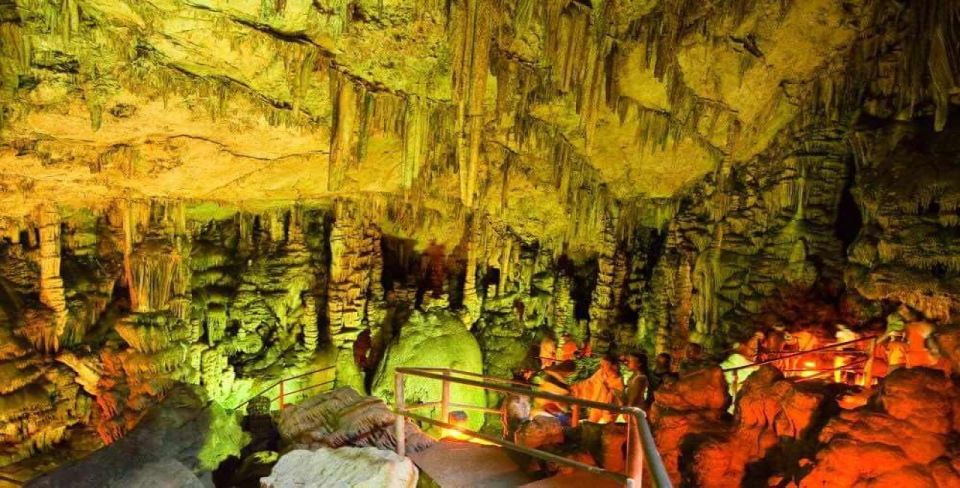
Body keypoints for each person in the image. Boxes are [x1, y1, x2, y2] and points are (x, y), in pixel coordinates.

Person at [570, 354, 624, 423]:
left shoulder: (618, 380)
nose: (602, 366)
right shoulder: (600, 372)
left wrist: (608, 391)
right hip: (596, 404)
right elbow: (589, 382)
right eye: (601, 364)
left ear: (613, 366)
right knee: (590, 423)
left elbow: (617, 396)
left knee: (608, 426)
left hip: (608, 408)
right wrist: (576, 388)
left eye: (605, 364)